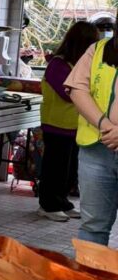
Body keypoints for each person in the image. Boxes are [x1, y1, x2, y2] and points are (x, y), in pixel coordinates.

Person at [38, 21, 98, 221]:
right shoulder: (58, 64)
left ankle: (62, 202)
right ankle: (48, 205)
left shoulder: (78, 65)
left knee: (69, 170)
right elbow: (68, 93)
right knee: (55, 168)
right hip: (56, 125)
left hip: (75, 126)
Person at [66, 18, 118, 245]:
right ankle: (88, 270)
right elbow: (77, 88)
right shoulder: (98, 49)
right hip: (96, 150)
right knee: (93, 226)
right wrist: (106, 126)